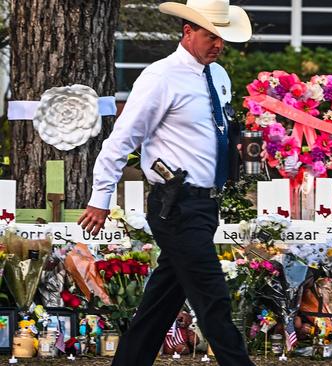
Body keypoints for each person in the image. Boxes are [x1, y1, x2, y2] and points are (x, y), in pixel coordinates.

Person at [77, 1, 255, 365]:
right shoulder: (160, 77)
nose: (218, 45)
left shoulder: (219, 76)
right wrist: (100, 198)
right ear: (187, 32)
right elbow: (122, 139)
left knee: (161, 303)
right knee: (213, 298)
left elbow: (214, 132)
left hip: (205, 204)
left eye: (222, 37)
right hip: (174, 205)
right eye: (210, 36)